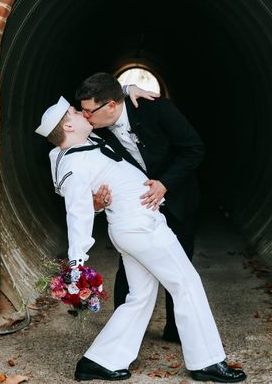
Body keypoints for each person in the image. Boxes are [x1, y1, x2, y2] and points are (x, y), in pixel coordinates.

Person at [36, 97, 246, 383]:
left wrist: (127, 87)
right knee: (186, 284)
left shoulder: (86, 141)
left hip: (137, 227)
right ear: (69, 125)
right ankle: (206, 361)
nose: (82, 111)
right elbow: (77, 215)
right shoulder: (74, 164)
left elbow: (110, 100)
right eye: (75, 111)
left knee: (140, 297)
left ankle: (99, 361)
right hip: (140, 229)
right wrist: (77, 264)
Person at [76, 72, 203, 344]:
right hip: (135, 212)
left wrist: (165, 184)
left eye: (89, 111)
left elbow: (194, 148)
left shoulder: (159, 110)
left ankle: (178, 330)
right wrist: (97, 202)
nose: (85, 117)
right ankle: (125, 335)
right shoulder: (95, 135)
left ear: (111, 105)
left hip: (177, 200)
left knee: (180, 268)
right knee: (128, 269)